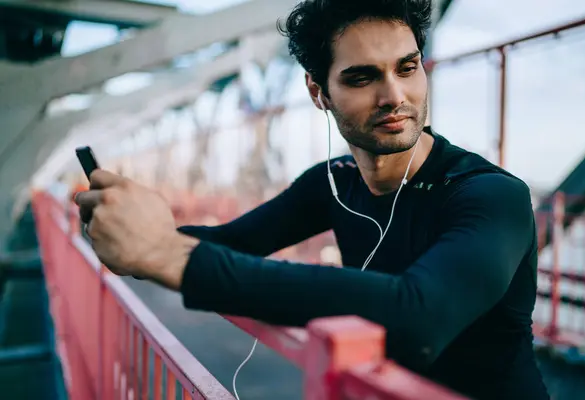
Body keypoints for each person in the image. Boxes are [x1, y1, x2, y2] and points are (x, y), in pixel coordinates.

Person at [74, 0, 550, 399]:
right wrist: (124, 232)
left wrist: (162, 253)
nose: (394, 95)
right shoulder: (334, 183)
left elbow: (418, 317)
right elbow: (231, 242)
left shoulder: (491, 194)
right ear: (318, 91)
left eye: (408, 68)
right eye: (362, 78)